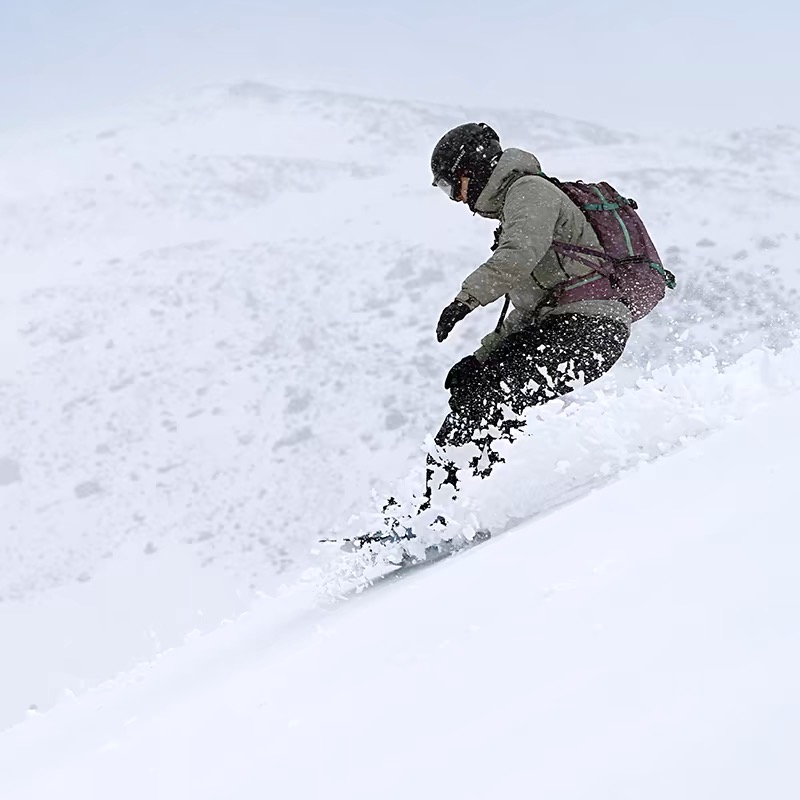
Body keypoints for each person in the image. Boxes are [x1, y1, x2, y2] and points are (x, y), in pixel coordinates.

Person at [424, 122, 634, 501]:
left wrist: (464, 300)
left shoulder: (530, 191)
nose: (455, 199)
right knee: (478, 389)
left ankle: (444, 504)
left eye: (449, 185)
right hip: (569, 327)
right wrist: (480, 357)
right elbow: (527, 307)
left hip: (589, 330)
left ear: (470, 169)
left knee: (489, 395)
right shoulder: (516, 207)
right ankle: (447, 500)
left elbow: (517, 257)